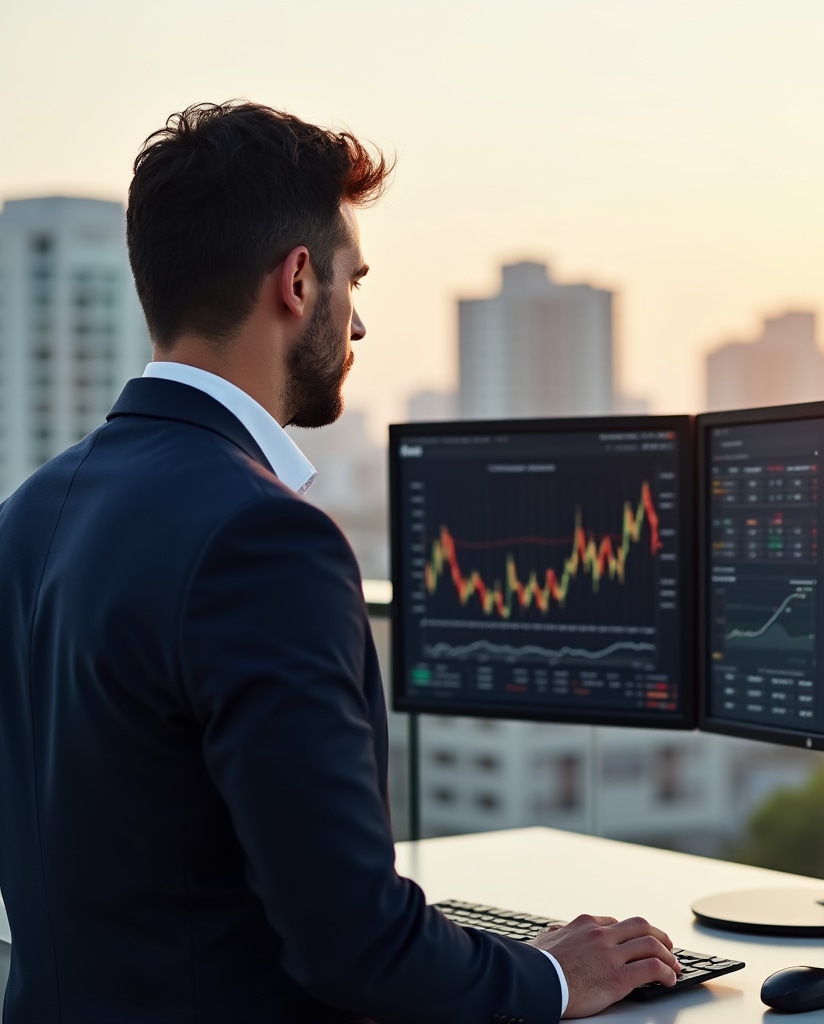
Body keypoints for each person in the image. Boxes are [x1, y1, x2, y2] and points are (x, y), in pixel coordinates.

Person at [0, 101, 681, 1023]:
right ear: (297, 281)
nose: (358, 325)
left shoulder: (29, 512)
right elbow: (355, 946)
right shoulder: (263, 539)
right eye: (353, 280)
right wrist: (556, 975)